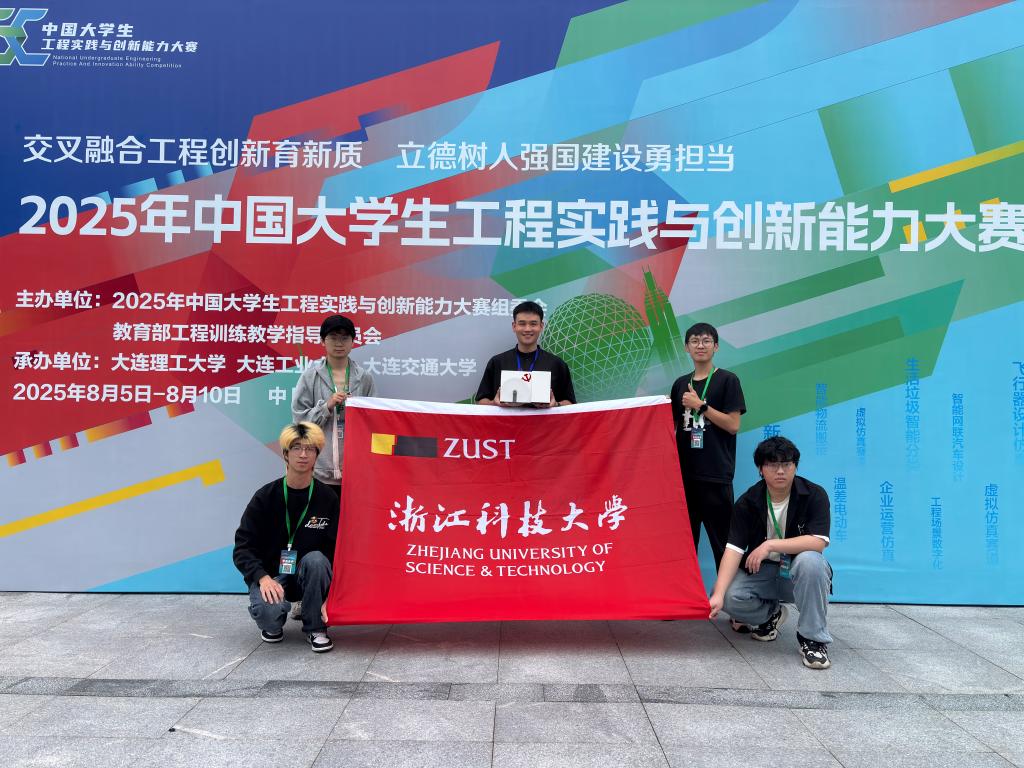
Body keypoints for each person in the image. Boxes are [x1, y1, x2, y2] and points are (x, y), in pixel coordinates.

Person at [708, 436, 834, 669]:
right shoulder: (748, 502)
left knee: (812, 561)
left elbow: (817, 542)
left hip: (797, 574)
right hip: (763, 574)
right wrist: (719, 594)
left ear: (795, 466)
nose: (780, 471)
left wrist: (770, 545)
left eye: (786, 464)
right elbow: (733, 549)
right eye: (772, 465)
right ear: (760, 469)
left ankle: (813, 640)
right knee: (726, 595)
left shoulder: (814, 494)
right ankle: (771, 614)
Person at [233, 422, 340, 653]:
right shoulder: (265, 497)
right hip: (273, 574)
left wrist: (332, 595)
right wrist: (262, 578)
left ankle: (315, 628)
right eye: (296, 448)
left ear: (317, 455)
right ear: (285, 454)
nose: (303, 455)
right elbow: (243, 547)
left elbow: (337, 550)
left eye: (309, 449)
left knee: (317, 560)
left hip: (307, 574)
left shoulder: (327, 498)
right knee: (268, 614)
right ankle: (272, 623)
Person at [670, 322, 746, 569]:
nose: (700, 346)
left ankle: (729, 592)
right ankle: (688, 593)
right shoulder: (680, 384)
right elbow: (671, 427)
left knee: (723, 544)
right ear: (686, 347)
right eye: (694, 341)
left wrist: (701, 406)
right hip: (685, 479)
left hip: (715, 476)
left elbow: (733, 424)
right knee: (684, 546)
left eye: (706, 341)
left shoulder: (727, 380)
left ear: (716, 347)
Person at [292, 314, 377, 487]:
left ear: (353, 342)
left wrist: (358, 410)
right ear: (322, 341)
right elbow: (299, 421)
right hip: (317, 469)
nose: (339, 343)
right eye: (333, 337)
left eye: (345, 338)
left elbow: (374, 421)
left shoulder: (364, 378)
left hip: (355, 467)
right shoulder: (310, 377)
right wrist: (327, 406)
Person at [475, 300, 576, 407]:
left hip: (544, 419)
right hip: (508, 418)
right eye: (522, 324)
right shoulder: (497, 362)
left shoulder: (557, 364)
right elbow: (480, 401)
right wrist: (494, 403)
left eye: (533, 324)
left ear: (541, 326)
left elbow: (571, 404)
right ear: (514, 326)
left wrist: (556, 404)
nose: (527, 329)